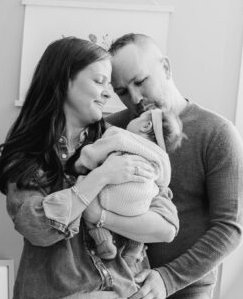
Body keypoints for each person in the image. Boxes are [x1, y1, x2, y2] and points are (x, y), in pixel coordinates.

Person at [0, 36, 179, 299]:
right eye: (99, 81)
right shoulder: (28, 153)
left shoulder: (120, 141)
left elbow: (166, 225)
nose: (108, 93)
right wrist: (101, 177)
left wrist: (99, 215)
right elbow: (38, 227)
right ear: (64, 82)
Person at [106, 32, 243, 299]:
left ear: (166, 68)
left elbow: (230, 229)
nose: (134, 98)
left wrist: (167, 279)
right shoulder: (113, 131)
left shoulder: (217, 134)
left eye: (140, 81)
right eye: (122, 91)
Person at [75, 106, 184, 261]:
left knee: (84, 184)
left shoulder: (119, 135)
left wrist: (82, 164)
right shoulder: (163, 158)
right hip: (139, 207)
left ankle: (102, 239)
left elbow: (94, 153)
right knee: (147, 204)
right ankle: (135, 247)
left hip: (108, 196)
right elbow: (163, 183)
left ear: (146, 125)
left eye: (138, 118)